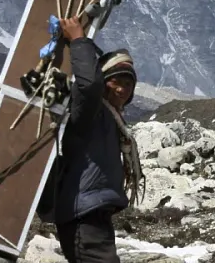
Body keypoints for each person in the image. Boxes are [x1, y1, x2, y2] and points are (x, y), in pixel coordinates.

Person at [36, 16, 143, 263]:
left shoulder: (112, 119)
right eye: (116, 81)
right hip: (82, 213)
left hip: (95, 212)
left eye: (128, 84)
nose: (122, 89)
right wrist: (78, 40)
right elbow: (88, 86)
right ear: (104, 82)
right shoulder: (90, 112)